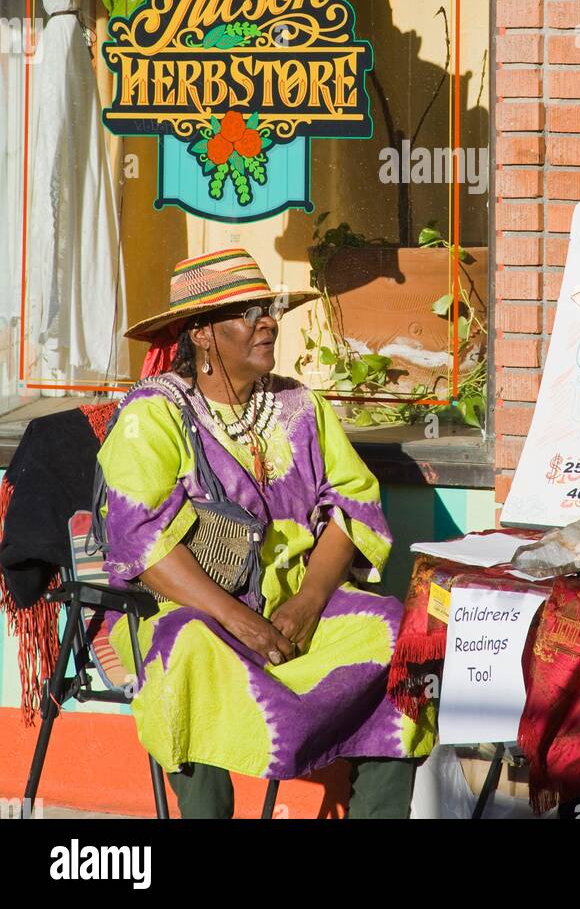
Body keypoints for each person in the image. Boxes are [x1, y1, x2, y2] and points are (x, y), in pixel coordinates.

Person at [98, 247, 434, 818]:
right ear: (202, 333)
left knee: (393, 633)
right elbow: (146, 547)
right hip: (186, 612)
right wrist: (241, 621)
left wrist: (307, 601)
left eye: (268, 308)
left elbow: (352, 505)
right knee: (188, 652)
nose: (268, 321)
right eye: (248, 312)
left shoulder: (299, 405)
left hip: (294, 611)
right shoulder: (153, 415)